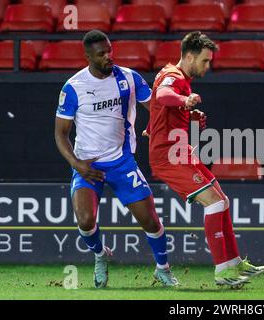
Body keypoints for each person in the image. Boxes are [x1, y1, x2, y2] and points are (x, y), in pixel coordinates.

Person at [54, 30, 179, 288]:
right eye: (101, 54)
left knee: (150, 219)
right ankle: (100, 255)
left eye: (110, 50)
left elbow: (156, 108)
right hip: (87, 164)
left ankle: (163, 268)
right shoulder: (74, 87)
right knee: (85, 220)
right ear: (88, 56)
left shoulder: (130, 78)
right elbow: (61, 134)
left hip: (122, 162)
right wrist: (76, 164)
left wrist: (163, 123)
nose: (108, 56)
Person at [144, 31, 264, 287]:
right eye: (204, 60)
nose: (208, 66)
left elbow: (163, 108)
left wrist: (189, 114)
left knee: (222, 200)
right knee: (213, 203)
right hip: (168, 156)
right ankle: (222, 272)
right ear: (189, 56)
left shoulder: (177, 76)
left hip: (180, 150)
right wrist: (184, 99)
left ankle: (234, 263)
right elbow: (162, 97)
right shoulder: (173, 76)